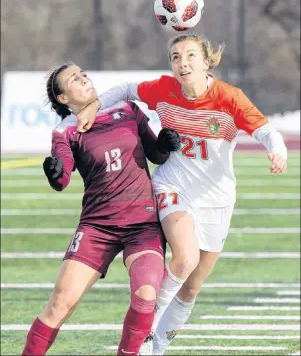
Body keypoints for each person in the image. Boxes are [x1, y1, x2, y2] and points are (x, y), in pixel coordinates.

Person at [75, 33, 288, 355]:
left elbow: (266, 130)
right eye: (175, 57)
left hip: (217, 199)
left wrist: (277, 150)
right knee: (184, 259)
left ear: (206, 62)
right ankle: (144, 335)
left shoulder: (229, 97)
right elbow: (126, 89)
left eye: (190, 55)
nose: (182, 62)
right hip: (172, 187)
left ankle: (157, 347)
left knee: (191, 288)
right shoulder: (163, 89)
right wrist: (94, 105)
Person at [21, 62, 182, 356]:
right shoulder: (64, 132)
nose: (83, 78)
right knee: (60, 303)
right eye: (74, 79)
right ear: (62, 98)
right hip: (97, 228)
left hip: (142, 225)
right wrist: (53, 171)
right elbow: (62, 180)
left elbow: (156, 154)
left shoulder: (128, 110)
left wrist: (165, 143)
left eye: (83, 74)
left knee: (146, 295)